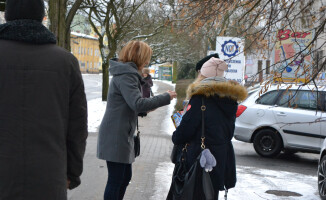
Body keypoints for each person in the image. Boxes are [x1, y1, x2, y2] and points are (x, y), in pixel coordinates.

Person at [0, 0, 88, 199]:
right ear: (42, 18)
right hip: (48, 176)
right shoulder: (66, 62)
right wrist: (71, 173)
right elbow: (77, 127)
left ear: (7, 16)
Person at [97, 40, 177, 200]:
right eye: (147, 57)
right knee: (116, 180)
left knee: (123, 178)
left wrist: (149, 106)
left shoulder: (127, 73)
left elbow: (133, 105)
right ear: (139, 57)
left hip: (120, 133)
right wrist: (165, 97)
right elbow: (137, 104)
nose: (148, 61)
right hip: (116, 135)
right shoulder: (127, 75)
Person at [168, 57, 247, 199]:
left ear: (203, 75)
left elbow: (185, 132)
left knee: (191, 194)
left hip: (198, 159)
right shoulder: (230, 99)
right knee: (210, 194)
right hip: (219, 159)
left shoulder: (200, 98)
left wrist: (177, 134)